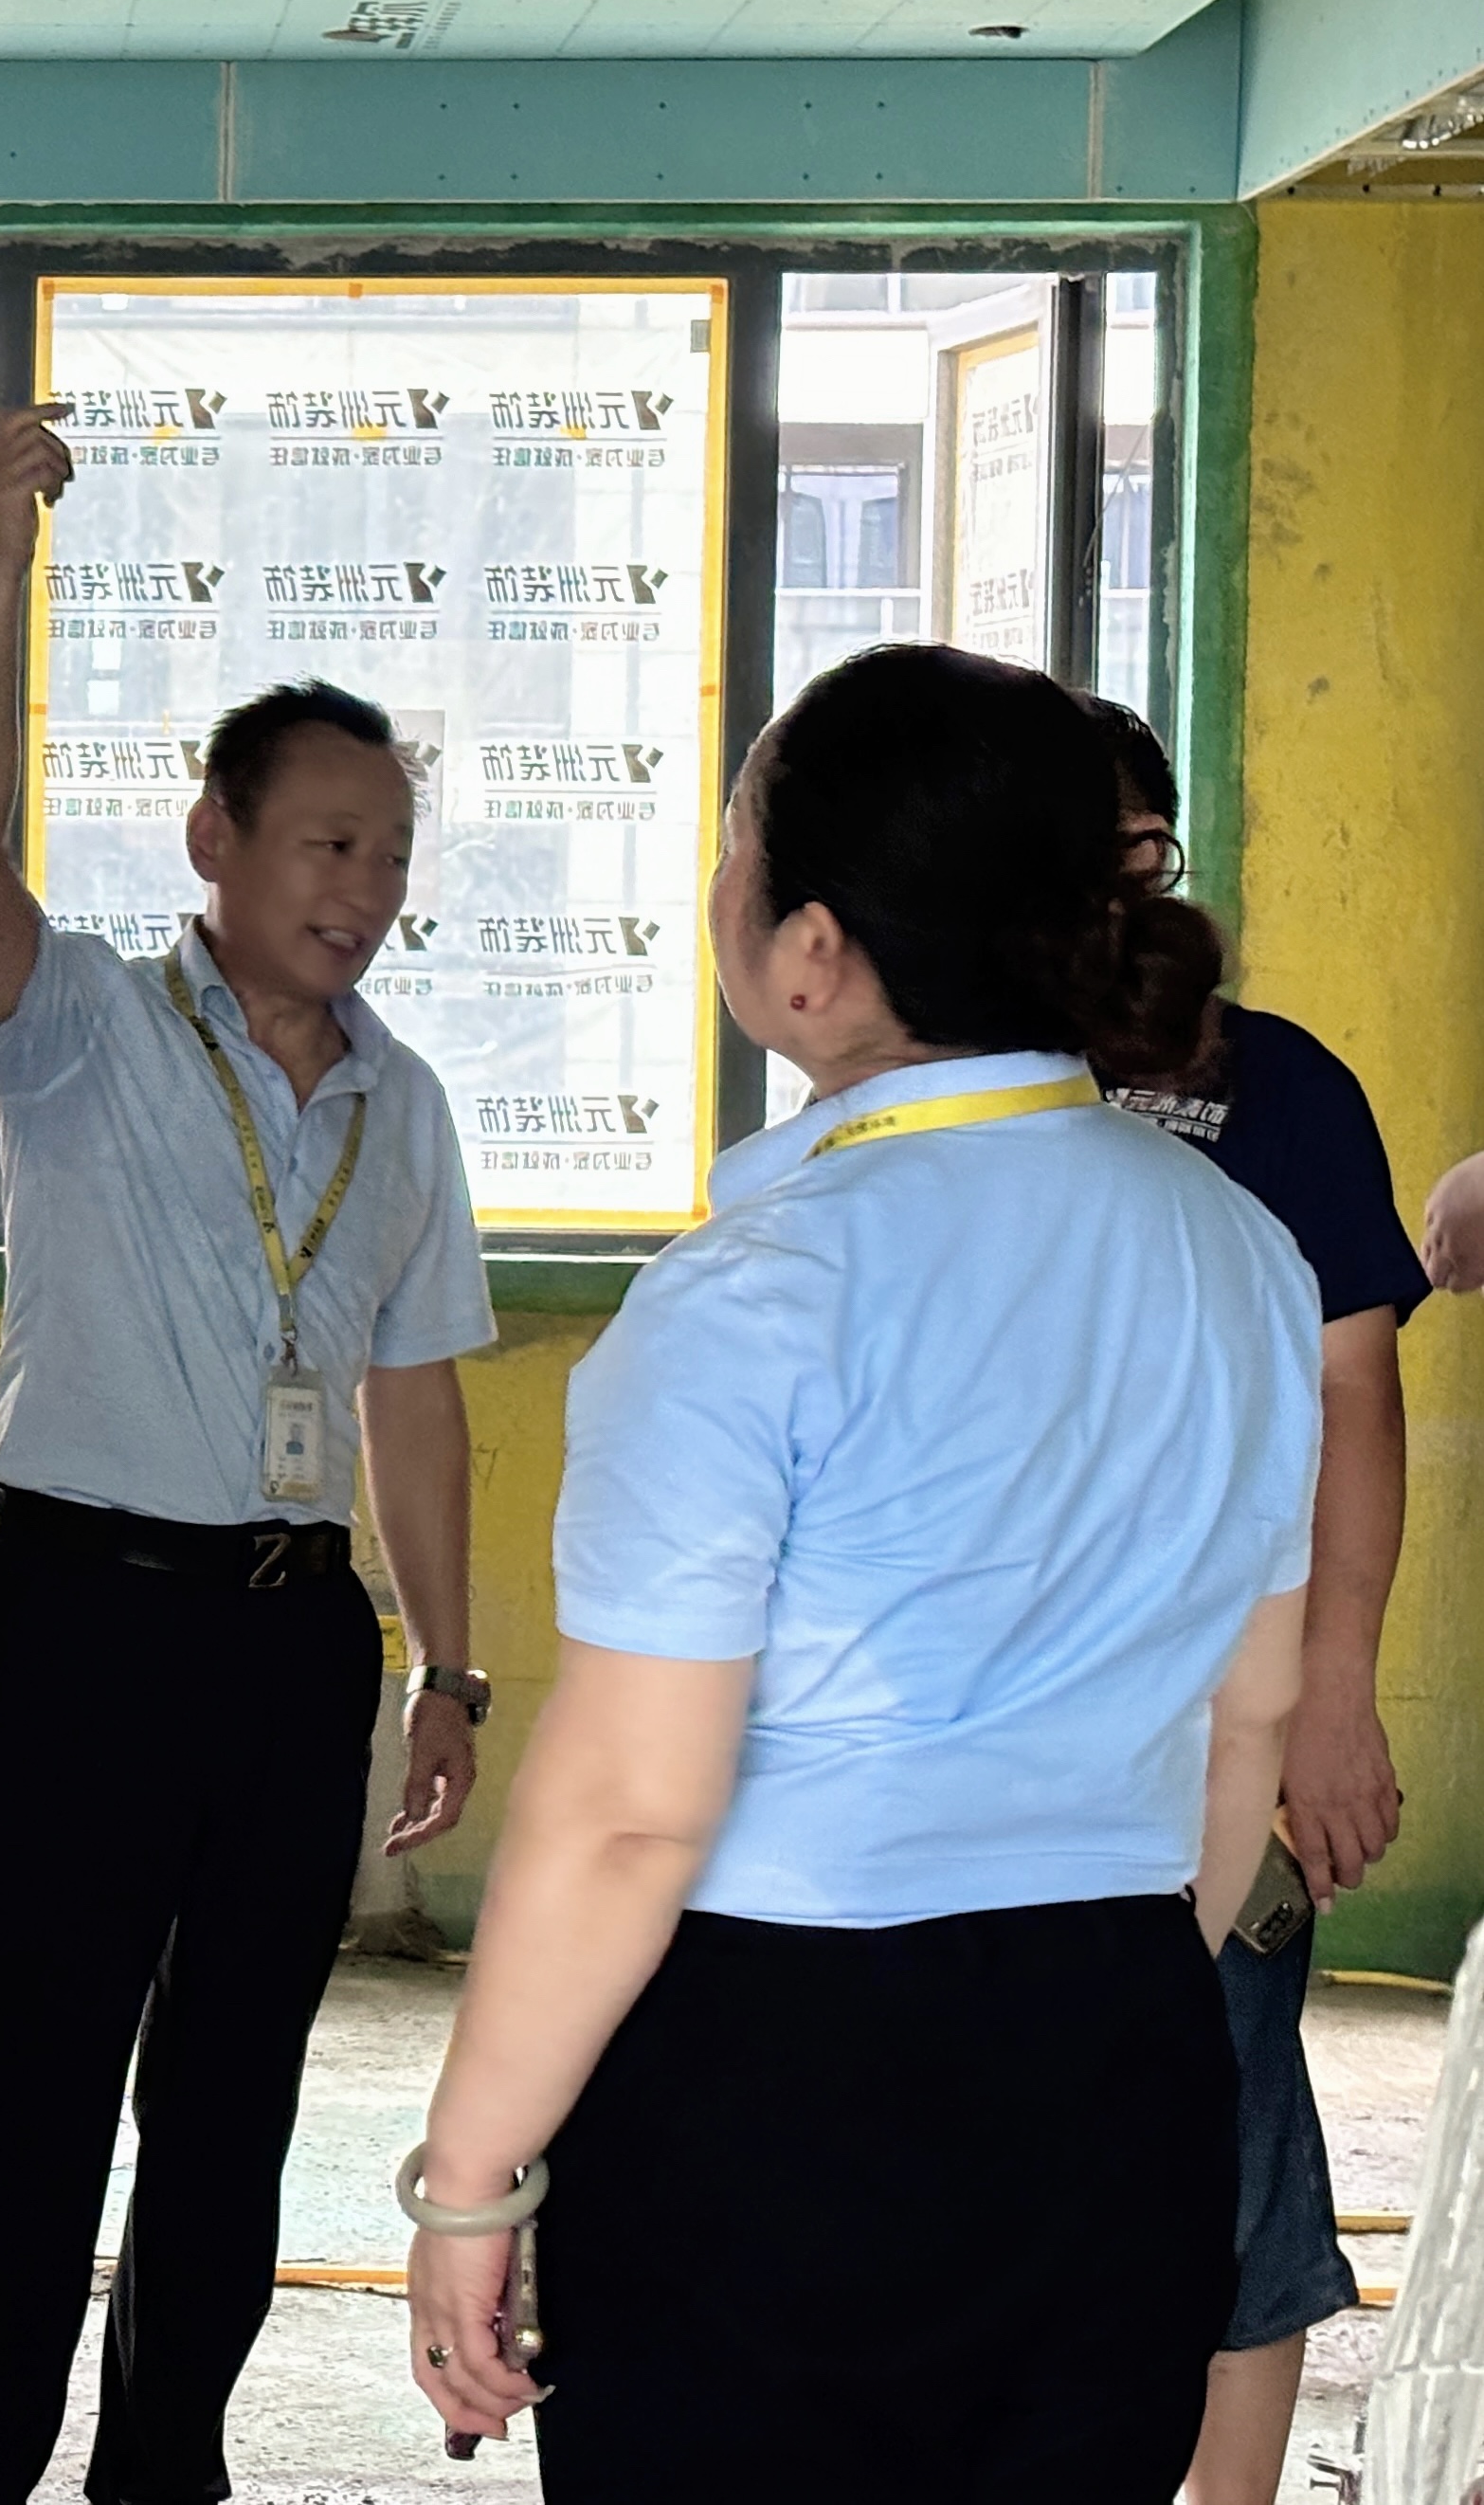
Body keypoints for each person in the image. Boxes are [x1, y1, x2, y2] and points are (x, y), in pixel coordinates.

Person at [404, 644, 1318, 2503]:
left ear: (806, 950)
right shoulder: (1241, 1256)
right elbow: (1251, 1719)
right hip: (1119, 2047)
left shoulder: (751, 1291)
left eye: (731, 846)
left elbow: (625, 1813)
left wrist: (470, 2179)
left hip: (775, 2074)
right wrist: (1085, 2003)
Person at [0, 404, 496, 2503]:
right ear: (211, 844)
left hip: (288, 1640)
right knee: (31, 2109)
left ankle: (166, 2471)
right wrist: (0, 556)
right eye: (327, 844)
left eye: (390, 853)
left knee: (232, 2113)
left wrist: (445, 1663)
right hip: (80, 1616)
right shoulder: (78, 1030)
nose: (366, 888)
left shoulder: (402, 1103)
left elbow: (413, 1395)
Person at [1079, 699, 1421, 2505]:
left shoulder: (1277, 1086)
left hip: (1230, 1708)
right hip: (1009, 1741)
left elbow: (1354, 1394)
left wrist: (1334, 1692)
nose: (1120, 886)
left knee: (1230, 2147)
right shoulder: (937, 1081)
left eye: (1145, 850)